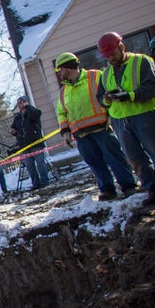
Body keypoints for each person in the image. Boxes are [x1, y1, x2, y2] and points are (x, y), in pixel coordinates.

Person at [96, 31, 155, 206]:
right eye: (107, 56)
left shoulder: (142, 61)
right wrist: (107, 99)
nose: (110, 59)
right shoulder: (105, 73)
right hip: (120, 121)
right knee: (136, 159)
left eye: (112, 54)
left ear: (121, 47)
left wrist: (130, 95)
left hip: (145, 115)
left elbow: (152, 87)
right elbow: (100, 96)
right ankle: (153, 190)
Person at [54, 52, 137, 200]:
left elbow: (110, 95)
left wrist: (112, 117)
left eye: (59, 70)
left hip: (102, 128)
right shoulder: (63, 91)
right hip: (81, 134)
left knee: (115, 158)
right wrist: (65, 132)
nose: (59, 74)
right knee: (94, 163)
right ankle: (107, 189)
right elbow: (62, 113)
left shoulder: (96, 76)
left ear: (66, 67)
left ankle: (128, 186)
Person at [10, 96, 50, 190]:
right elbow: (13, 128)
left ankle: (45, 181)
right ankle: (35, 184)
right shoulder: (17, 117)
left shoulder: (34, 112)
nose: (20, 104)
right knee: (30, 166)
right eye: (18, 103)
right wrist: (13, 131)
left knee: (40, 163)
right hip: (24, 145)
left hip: (36, 143)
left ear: (26, 102)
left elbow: (35, 116)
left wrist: (27, 107)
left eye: (21, 102)